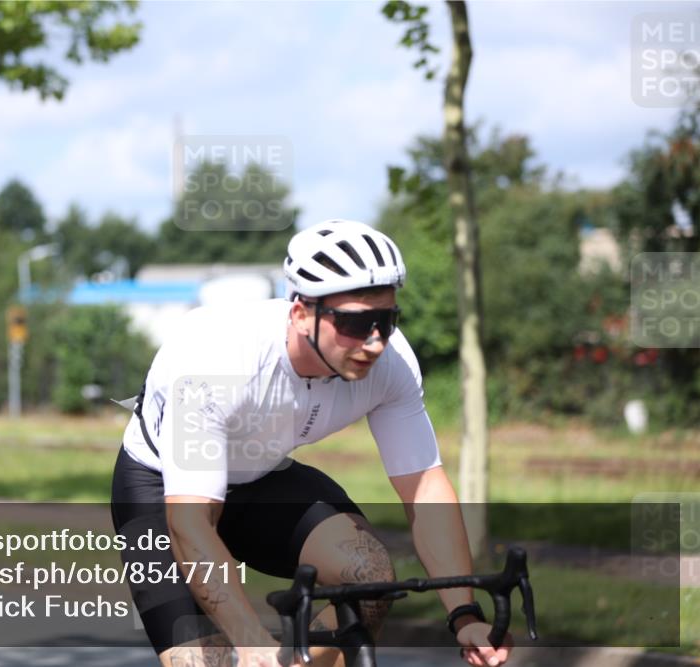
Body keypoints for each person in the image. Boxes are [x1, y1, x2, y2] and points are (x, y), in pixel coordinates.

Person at [111, 219, 512, 667]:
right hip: (162, 489)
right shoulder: (216, 360)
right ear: (301, 313)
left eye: (386, 319)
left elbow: (424, 488)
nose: (375, 341)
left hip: (261, 475)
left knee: (370, 576)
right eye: (357, 322)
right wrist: (250, 640)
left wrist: (464, 614)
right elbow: (191, 523)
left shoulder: (391, 364)